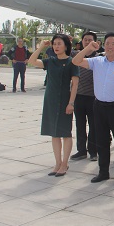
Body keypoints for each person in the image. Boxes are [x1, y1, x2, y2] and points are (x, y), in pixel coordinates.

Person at [72, 32, 114, 187]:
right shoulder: (97, 61)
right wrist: (88, 48)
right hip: (99, 106)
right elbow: (76, 61)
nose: (110, 46)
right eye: (107, 43)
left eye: (113, 43)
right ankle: (103, 172)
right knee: (101, 141)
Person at [28, 34, 79, 177]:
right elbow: (32, 61)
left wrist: (71, 103)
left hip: (64, 101)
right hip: (50, 100)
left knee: (65, 133)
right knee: (54, 134)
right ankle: (57, 163)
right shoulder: (50, 61)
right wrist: (41, 47)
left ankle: (65, 163)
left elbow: (75, 84)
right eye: (54, 44)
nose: (56, 46)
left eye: (59, 43)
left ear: (66, 46)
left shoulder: (72, 62)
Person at [71, 32, 98, 161]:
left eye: (90, 40)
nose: (87, 42)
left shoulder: (99, 58)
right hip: (79, 95)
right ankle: (81, 150)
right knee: (80, 124)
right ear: (81, 41)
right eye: (85, 40)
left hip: (94, 97)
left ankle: (93, 151)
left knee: (94, 125)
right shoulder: (76, 55)